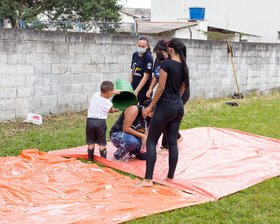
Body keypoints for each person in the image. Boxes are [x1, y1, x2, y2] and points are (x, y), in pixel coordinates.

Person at [136, 38, 190, 187]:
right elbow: (182, 89)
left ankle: (148, 180)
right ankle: (170, 178)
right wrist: (175, 100)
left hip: (165, 107)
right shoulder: (184, 66)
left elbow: (160, 88)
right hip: (178, 107)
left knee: (152, 141)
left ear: (171, 49)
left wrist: (150, 106)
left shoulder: (166, 64)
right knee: (172, 141)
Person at [146, 39, 190, 152]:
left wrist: (151, 106)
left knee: (166, 117)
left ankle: (170, 143)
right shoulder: (161, 61)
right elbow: (157, 77)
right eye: (161, 52)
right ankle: (174, 140)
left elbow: (165, 87)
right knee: (167, 118)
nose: (164, 54)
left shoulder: (175, 63)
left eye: (165, 51)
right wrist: (150, 88)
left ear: (170, 50)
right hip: (171, 98)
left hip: (176, 96)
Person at [86, 81, 120, 162]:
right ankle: (104, 161)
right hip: (100, 123)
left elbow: (105, 92)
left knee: (90, 142)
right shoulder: (108, 103)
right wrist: (115, 110)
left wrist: (114, 92)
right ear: (109, 93)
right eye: (112, 91)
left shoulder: (95, 95)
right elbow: (111, 111)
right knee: (102, 143)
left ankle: (90, 159)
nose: (113, 93)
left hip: (90, 121)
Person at [129, 36, 153, 105]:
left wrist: (136, 91)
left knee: (144, 110)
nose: (141, 48)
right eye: (139, 46)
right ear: (136, 44)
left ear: (147, 46)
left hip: (144, 90)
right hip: (134, 86)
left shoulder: (148, 57)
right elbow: (132, 71)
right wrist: (129, 85)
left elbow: (146, 76)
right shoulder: (135, 55)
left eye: (143, 46)